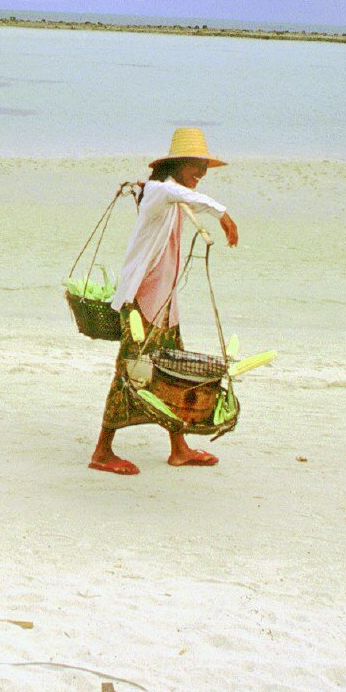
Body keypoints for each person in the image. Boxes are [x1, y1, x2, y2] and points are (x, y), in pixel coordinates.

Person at [89, 127, 240, 476]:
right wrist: (224, 215)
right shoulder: (161, 191)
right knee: (130, 373)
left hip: (165, 306)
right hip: (142, 306)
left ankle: (179, 448)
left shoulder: (169, 195)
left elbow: (181, 197)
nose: (200, 174)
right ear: (178, 164)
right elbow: (169, 191)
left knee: (174, 374)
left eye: (204, 168)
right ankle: (101, 451)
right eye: (195, 166)